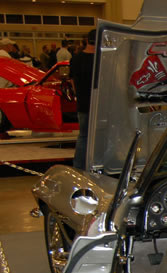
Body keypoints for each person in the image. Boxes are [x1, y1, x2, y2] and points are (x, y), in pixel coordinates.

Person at [70, 29, 95, 170]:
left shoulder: (76, 58)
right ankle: (95, 166)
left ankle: (78, 167)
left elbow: (72, 80)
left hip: (82, 103)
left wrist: (78, 95)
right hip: (98, 104)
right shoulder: (101, 60)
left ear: (86, 40)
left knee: (83, 136)